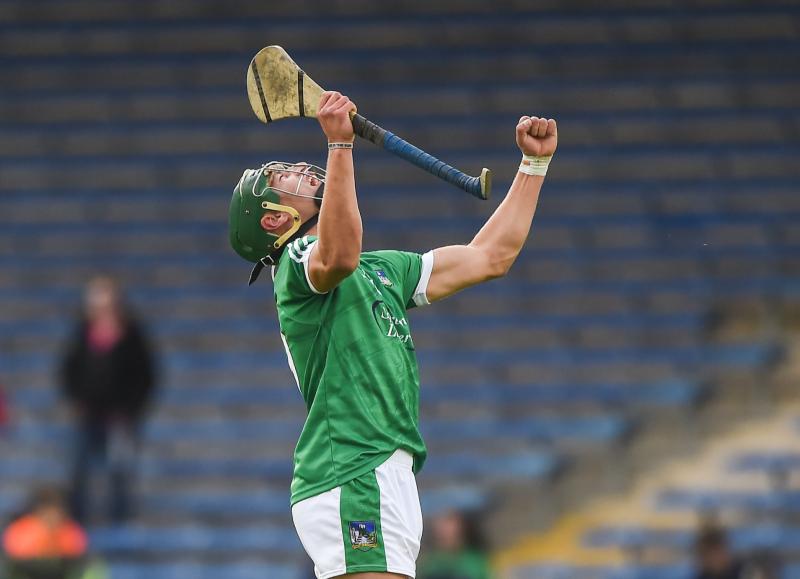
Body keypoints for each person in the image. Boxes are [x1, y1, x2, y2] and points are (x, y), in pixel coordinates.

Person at [228, 90, 557, 579]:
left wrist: (532, 166)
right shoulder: (295, 266)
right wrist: (339, 148)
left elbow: (490, 256)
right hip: (351, 468)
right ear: (277, 219)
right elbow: (337, 255)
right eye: (283, 179)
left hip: (385, 469)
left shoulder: (380, 270)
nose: (299, 168)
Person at [58, 275, 157, 524]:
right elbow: (68, 370)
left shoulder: (132, 335)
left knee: (120, 468)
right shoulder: (81, 334)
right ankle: (77, 517)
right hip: (88, 414)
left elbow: (146, 375)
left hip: (120, 417)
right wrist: (76, 400)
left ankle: (119, 518)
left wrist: (131, 408)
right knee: (79, 466)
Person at [2, 487, 88, 579]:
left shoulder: (72, 532)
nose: (53, 518)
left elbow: (76, 556)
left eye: (57, 513)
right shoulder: (19, 531)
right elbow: (16, 559)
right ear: (38, 511)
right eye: (48, 513)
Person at [417, 510, 491, 579]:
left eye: (448, 519)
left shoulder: (475, 563)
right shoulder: (427, 564)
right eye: (438, 519)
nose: (442, 526)